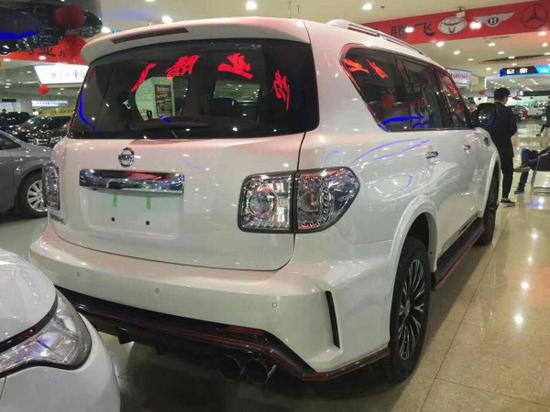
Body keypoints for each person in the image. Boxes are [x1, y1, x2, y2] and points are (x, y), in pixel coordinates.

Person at [491, 88, 518, 206]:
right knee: (507, 172)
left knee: (491, 173)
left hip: (488, 146)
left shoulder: (487, 110)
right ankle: (505, 197)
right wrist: (504, 135)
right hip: (504, 147)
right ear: (505, 98)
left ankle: (491, 198)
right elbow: (513, 128)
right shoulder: (507, 111)